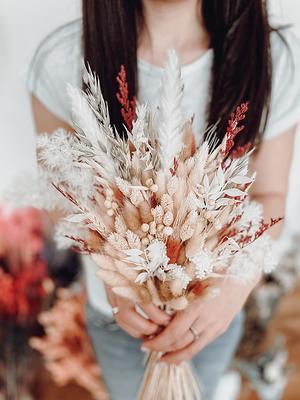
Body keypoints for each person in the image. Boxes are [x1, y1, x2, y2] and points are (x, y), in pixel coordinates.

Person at [28, 1, 300, 399]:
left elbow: (269, 196)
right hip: (117, 321)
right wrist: (116, 269)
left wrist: (232, 291)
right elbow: (60, 197)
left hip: (216, 315)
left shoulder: (272, 59)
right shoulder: (61, 61)